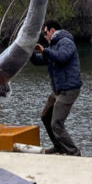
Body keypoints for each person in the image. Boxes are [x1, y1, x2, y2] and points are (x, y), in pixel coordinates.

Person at [30, 18, 82, 156]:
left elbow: (61, 57)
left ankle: (74, 153)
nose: (45, 36)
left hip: (69, 89)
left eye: (45, 32)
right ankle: (59, 147)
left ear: (52, 31)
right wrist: (29, 52)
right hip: (58, 90)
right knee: (46, 116)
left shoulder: (66, 42)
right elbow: (39, 61)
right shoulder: (53, 45)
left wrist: (44, 50)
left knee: (56, 123)